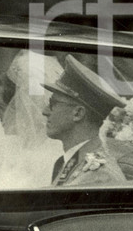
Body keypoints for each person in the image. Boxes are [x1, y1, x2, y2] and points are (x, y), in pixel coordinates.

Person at [42, 55, 127, 187]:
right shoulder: (69, 161)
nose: (45, 111)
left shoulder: (99, 177)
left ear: (78, 113)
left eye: (53, 104)